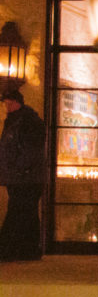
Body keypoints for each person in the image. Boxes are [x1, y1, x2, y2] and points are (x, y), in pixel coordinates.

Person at [0, 88, 47, 261]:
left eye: (8, 103)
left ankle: (9, 249)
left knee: (18, 211)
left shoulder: (26, 122)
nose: (6, 107)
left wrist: (20, 169)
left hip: (25, 177)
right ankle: (28, 249)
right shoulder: (17, 121)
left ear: (16, 102)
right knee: (26, 212)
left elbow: (30, 151)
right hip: (23, 176)